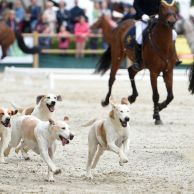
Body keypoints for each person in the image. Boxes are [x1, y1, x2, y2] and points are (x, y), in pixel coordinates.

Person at [132, 0, 181, 70]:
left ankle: (174, 57)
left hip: (155, 18)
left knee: (174, 34)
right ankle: (138, 61)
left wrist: (159, 14)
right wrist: (142, 15)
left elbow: (161, 5)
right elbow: (135, 5)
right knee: (139, 38)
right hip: (142, 19)